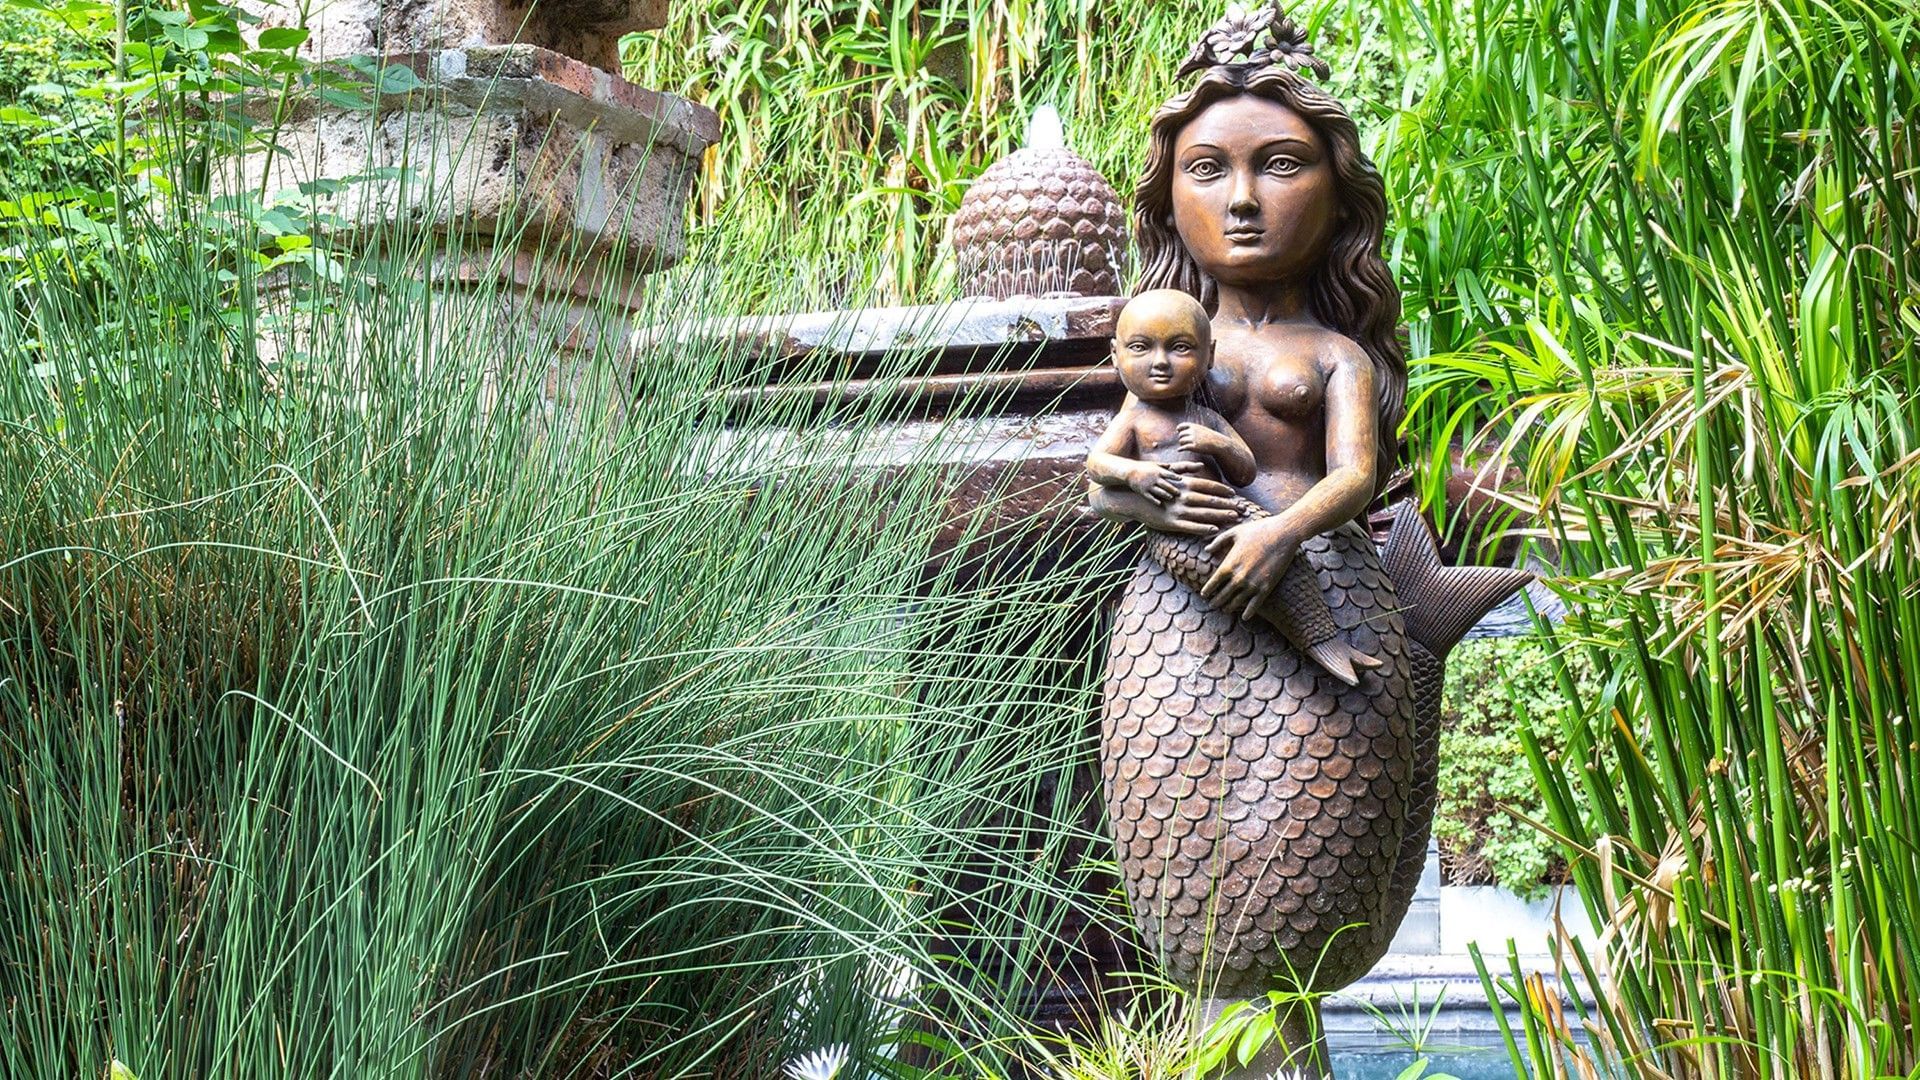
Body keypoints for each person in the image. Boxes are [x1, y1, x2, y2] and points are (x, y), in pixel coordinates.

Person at [1086, 288, 1379, 685]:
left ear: (1207, 355)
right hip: (1184, 552)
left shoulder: (1336, 352)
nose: (1160, 362)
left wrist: (1284, 531)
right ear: (1117, 354)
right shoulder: (1150, 372)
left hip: (1289, 538)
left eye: (1180, 348)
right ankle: (1317, 639)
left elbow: (1352, 474)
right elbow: (1098, 485)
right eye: (1141, 348)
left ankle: (1323, 639)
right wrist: (1149, 503)